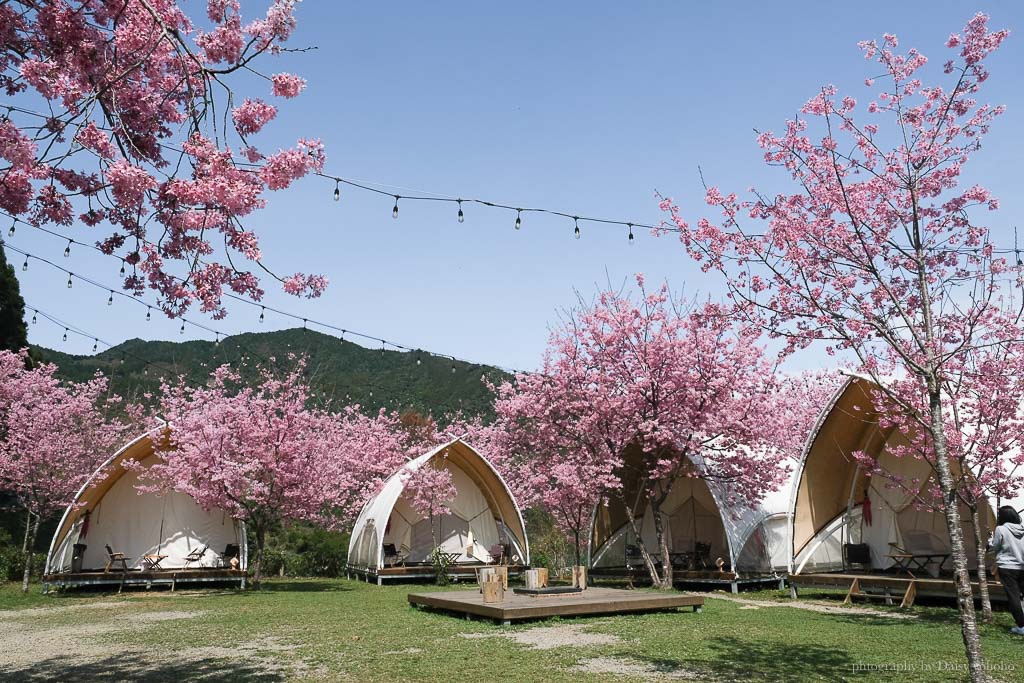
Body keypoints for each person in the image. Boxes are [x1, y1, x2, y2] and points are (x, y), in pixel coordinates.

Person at [990, 506, 1024, 635]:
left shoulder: (1001, 529)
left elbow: (995, 546)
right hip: (1022, 565)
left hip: (1007, 566)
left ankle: (1021, 625)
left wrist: (990, 540)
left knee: (1013, 596)